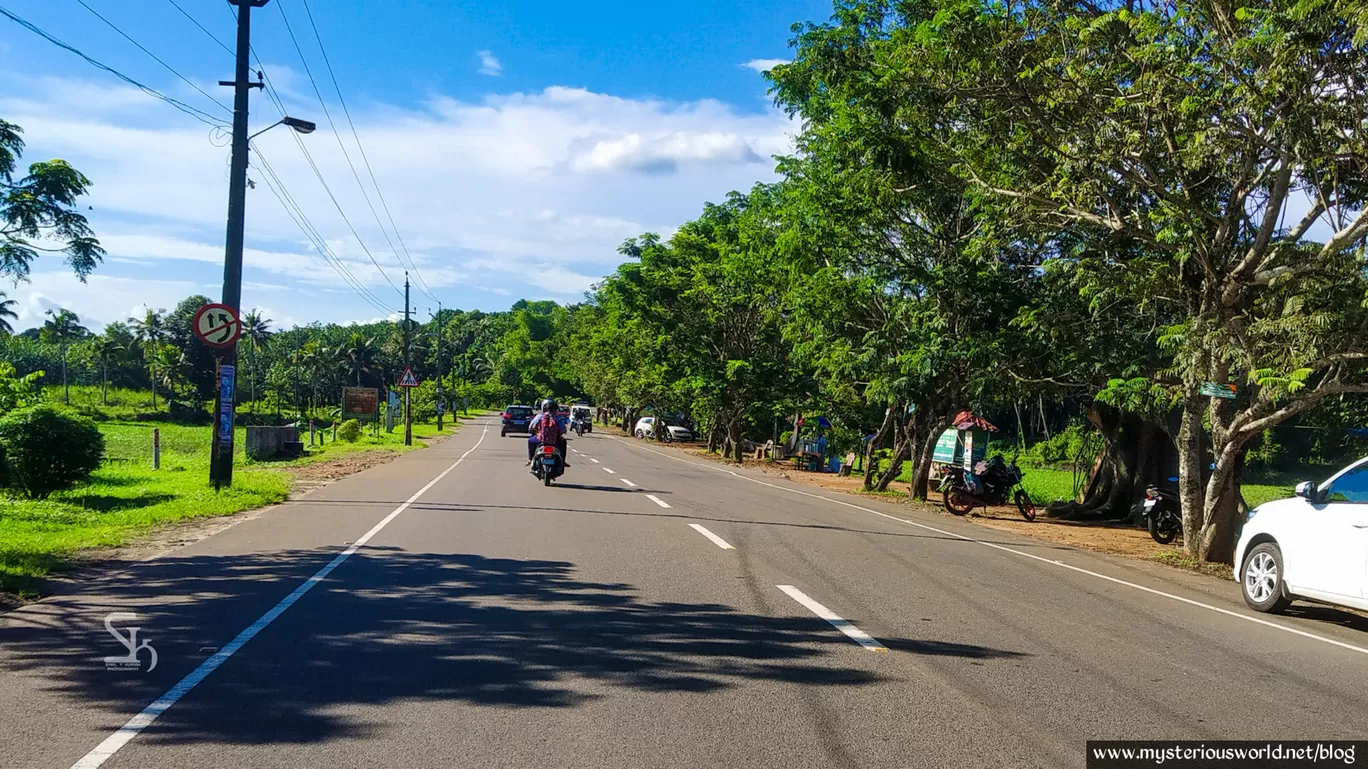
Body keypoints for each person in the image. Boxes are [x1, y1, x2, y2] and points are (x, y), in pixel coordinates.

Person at [527, 400, 569, 467]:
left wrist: (535, 431)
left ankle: (531, 459)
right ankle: (563, 461)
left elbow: (531, 427)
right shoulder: (557, 418)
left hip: (540, 440)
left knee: (530, 441)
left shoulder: (539, 416)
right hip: (555, 441)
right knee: (563, 442)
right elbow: (563, 429)